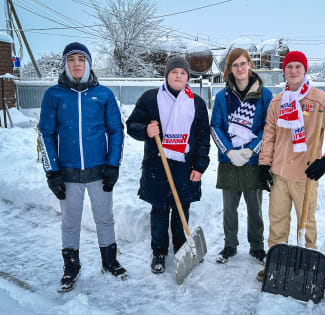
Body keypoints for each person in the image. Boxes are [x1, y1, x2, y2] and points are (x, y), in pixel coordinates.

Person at [39, 42, 127, 292]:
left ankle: (109, 261)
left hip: (100, 171)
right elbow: (46, 133)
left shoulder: (104, 95)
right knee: (70, 221)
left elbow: (116, 131)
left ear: (88, 63)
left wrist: (113, 165)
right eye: (71, 59)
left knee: (105, 218)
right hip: (67, 173)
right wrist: (52, 171)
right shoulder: (54, 95)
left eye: (81, 59)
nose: (76, 64)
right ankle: (71, 266)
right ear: (66, 64)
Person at [257, 51, 325, 280]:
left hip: (305, 175)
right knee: (277, 222)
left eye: (298, 67)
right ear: (284, 71)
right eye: (289, 67)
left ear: (304, 70)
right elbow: (269, 136)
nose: (293, 71)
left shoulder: (320, 100)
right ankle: (275, 263)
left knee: (306, 223)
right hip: (279, 174)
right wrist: (263, 165)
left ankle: (308, 265)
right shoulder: (277, 102)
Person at [126, 56, 210, 274]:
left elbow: (202, 138)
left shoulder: (197, 103)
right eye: (174, 72)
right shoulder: (150, 98)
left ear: (187, 77)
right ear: (167, 75)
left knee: (182, 208)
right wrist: (145, 130)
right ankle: (159, 252)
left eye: (183, 73)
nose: (179, 76)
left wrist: (200, 166)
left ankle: (182, 247)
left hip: (185, 166)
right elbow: (132, 125)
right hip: (158, 166)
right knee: (160, 211)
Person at [210, 48, 273, 265]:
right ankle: (230, 245)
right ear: (230, 68)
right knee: (229, 207)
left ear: (250, 65)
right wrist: (229, 151)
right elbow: (215, 126)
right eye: (235, 65)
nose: (240, 68)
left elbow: (269, 127)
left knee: (255, 207)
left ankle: (257, 246)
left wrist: (252, 150)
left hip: (254, 161)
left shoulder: (265, 95)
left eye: (243, 63)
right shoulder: (221, 97)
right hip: (229, 161)